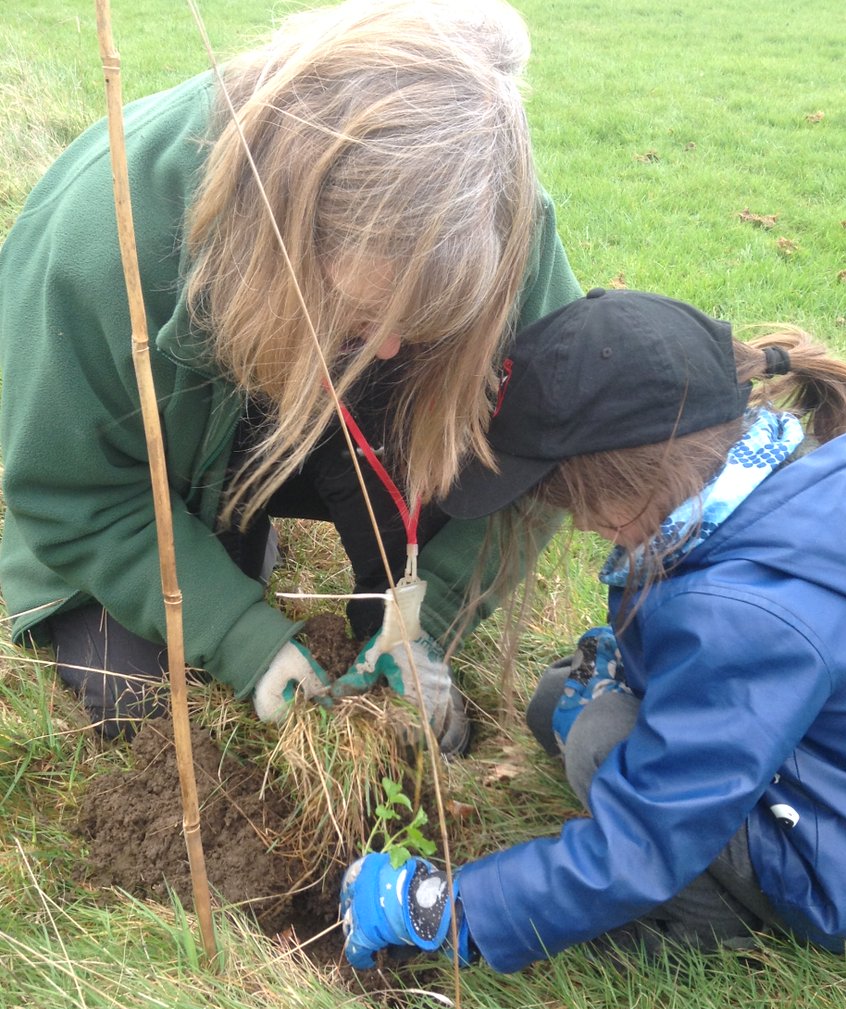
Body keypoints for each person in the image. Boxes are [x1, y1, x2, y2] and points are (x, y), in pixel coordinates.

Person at [0, 0, 581, 747]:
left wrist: (424, 623)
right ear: (290, 232)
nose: (394, 350)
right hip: (175, 461)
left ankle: (381, 628)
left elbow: (543, 447)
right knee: (138, 703)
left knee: (412, 381)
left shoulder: (490, 207)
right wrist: (238, 634)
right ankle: (226, 530)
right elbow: (73, 492)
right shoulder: (103, 247)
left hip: (331, 422)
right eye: (367, 316)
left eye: (419, 324)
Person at [339, 285, 846, 974]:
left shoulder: (741, 618)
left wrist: (450, 906)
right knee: (558, 703)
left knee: (601, 742)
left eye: (573, 499)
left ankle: (699, 927)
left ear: (629, 477)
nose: (575, 523)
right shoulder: (790, 477)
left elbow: (648, 838)